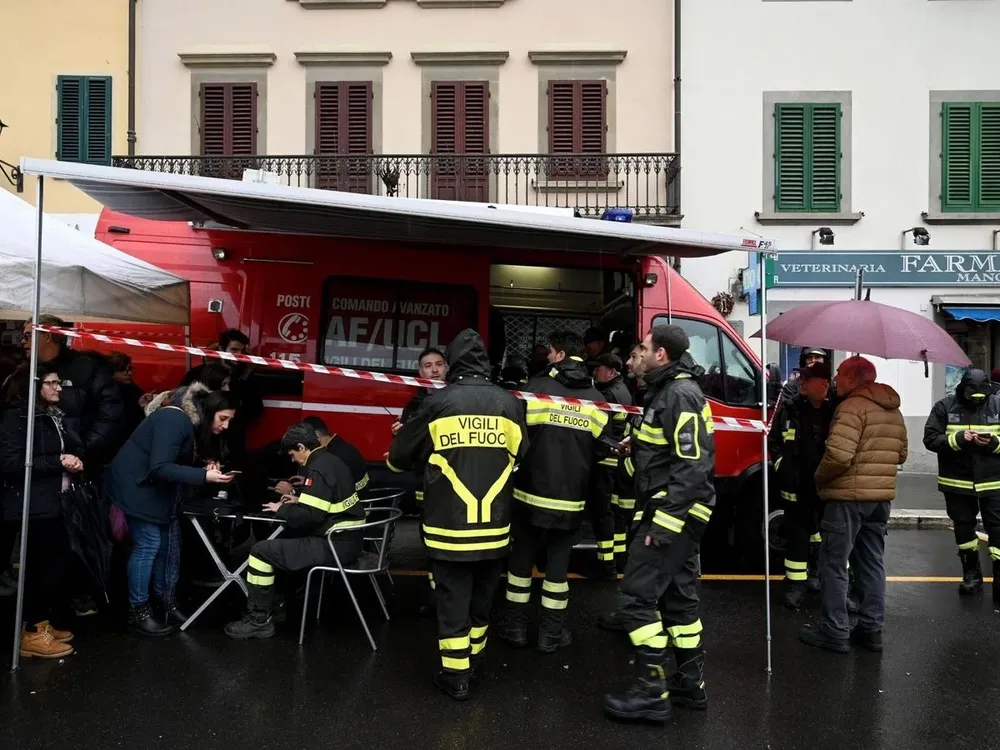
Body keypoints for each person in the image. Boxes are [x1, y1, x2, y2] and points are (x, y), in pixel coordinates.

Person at [387, 330, 528, 700]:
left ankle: (456, 677)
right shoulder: (510, 403)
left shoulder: (437, 402)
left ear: (452, 363)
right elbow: (521, 453)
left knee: (453, 601)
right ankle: (474, 662)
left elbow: (401, 458)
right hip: (495, 528)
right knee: (482, 601)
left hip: (448, 527)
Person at [603, 324, 715, 723]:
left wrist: (664, 526)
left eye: (643, 348)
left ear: (661, 355)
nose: (638, 353)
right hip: (679, 510)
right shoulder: (666, 392)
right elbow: (670, 452)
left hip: (674, 514)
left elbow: (693, 467)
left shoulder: (679, 394)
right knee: (678, 600)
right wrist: (641, 445)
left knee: (636, 599)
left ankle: (651, 691)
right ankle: (689, 685)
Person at [499, 330, 611, 654]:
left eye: (550, 351)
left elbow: (515, 438)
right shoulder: (596, 399)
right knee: (558, 572)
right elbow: (603, 452)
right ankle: (551, 634)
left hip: (528, 497)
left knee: (520, 567)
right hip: (571, 500)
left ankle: (515, 628)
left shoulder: (535, 390)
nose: (546, 356)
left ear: (560, 355)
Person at [107, 383, 237, 636]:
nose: (226, 426)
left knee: (165, 546)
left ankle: (165, 603)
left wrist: (201, 466)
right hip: (136, 488)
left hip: (148, 489)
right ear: (209, 411)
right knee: (149, 544)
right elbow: (160, 466)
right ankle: (139, 611)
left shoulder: (183, 419)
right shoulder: (173, 420)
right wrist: (203, 475)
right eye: (223, 418)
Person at [799, 356, 907, 654]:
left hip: (847, 500)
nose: (835, 378)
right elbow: (902, 454)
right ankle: (871, 630)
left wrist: (819, 479)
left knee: (833, 563)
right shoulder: (893, 409)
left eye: (839, 373)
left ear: (853, 378)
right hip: (880, 499)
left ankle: (835, 630)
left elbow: (839, 456)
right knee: (871, 562)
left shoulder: (850, 408)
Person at [225, 421, 366, 640]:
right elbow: (323, 503)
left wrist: (282, 508)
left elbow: (309, 517)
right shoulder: (332, 460)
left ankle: (258, 619)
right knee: (283, 544)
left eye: (292, 454)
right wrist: (299, 499)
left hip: (335, 546)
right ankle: (277, 604)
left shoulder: (317, 468)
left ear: (302, 447)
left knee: (261, 551)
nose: (293, 460)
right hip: (347, 540)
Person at [0, 366, 85, 658]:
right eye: (51, 382)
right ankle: (34, 631)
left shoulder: (51, 416)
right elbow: (12, 462)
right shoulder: (17, 417)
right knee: (43, 566)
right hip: (31, 504)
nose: (58, 387)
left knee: (51, 563)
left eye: (58, 381)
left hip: (51, 500)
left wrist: (71, 459)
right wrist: (57, 461)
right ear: (32, 387)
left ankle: (40, 625)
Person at [923, 368, 1000, 599]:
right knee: (964, 528)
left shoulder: (998, 405)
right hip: (957, 481)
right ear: (962, 389)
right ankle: (971, 576)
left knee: (997, 529)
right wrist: (956, 440)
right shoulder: (944, 407)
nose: (977, 401)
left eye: (982, 397)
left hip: (994, 482)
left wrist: (993, 443)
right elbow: (930, 439)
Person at [769, 363, 835, 609]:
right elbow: (774, 440)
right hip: (795, 485)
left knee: (828, 535)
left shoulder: (837, 410)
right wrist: (780, 466)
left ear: (824, 385)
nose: (801, 383)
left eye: (808, 379)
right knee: (796, 534)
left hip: (827, 485)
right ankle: (796, 585)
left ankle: (826, 579)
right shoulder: (790, 408)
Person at [23, 316, 123, 468]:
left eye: (28, 335)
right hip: (38, 462)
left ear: (47, 336)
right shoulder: (24, 372)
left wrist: (85, 448)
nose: (23, 341)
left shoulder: (85, 368)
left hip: (79, 463)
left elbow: (110, 412)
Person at [392, 346, 447, 613]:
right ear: (419, 371)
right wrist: (400, 434)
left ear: (447, 368)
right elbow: (406, 448)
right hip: (425, 481)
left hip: (454, 482)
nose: (434, 370)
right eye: (428, 365)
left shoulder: (455, 399)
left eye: (439, 364)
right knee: (430, 541)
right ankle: (437, 597)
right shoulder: (414, 404)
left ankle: (452, 597)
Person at [590, 353, 633, 577]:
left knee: (603, 512)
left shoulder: (607, 394)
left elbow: (600, 430)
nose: (595, 371)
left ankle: (605, 565)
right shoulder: (624, 390)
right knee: (616, 514)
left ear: (612, 372)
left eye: (600, 368)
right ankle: (619, 559)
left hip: (606, 460)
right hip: (619, 461)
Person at [274, 416, 369, 496]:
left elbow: (319, 504)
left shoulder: (331, 457)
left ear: (315, 437)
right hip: (361, 503)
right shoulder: (346, 448)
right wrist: (308, 482)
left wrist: (292, 492)